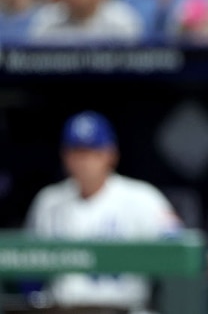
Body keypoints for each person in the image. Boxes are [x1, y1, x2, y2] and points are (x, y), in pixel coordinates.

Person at [24, 110, 181, 312]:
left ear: (111, 154)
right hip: (63, 308)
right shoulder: (48, 200)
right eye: (77, 152)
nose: (85, 161)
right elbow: (26, 265)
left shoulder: (141, 197)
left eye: (93, 152)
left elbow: (178, 246)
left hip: (123, 308)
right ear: (65, 155)